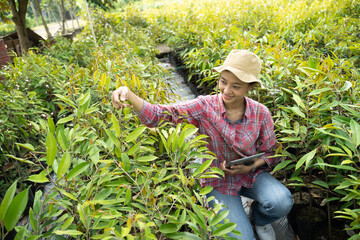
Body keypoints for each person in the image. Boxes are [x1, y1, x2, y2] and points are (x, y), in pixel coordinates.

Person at [111, 49, 293, 240]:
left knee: (281, 202)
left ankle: (260, 220)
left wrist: (251, 165)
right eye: (223, 82)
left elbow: (271, 152)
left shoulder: (261, 113)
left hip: (251, 175)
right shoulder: (205, 107)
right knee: (241, 238)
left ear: (250, 88)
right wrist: (129, 95)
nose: (227, 91)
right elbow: (161, 115)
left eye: (236, 86)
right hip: (219, 180)